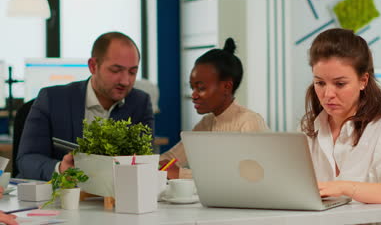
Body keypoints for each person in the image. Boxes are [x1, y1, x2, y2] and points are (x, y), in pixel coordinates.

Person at [301, 28, 381, 211]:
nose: (327, 94)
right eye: (320, 83)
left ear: (363, 81)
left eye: (340, 84)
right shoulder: (308, 129)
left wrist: (343, 187)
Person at [17, 32, 154, 181]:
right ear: (93, 66)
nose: (126, 81)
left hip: (113, 198)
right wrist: (61, 169)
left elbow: (144, 159)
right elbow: (27, 159)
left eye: (132, 72)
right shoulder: (52, 99)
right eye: (116, 70)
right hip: (58, 197)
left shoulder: (140, 102)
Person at [160, 38, 269, 178]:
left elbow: (244, 178)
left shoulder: (249, 122)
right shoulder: (205, 124)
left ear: (226, 87)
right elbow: (170, 159)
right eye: (192, 87)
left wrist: (180, 174)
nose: (193, 95)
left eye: (201, 88)